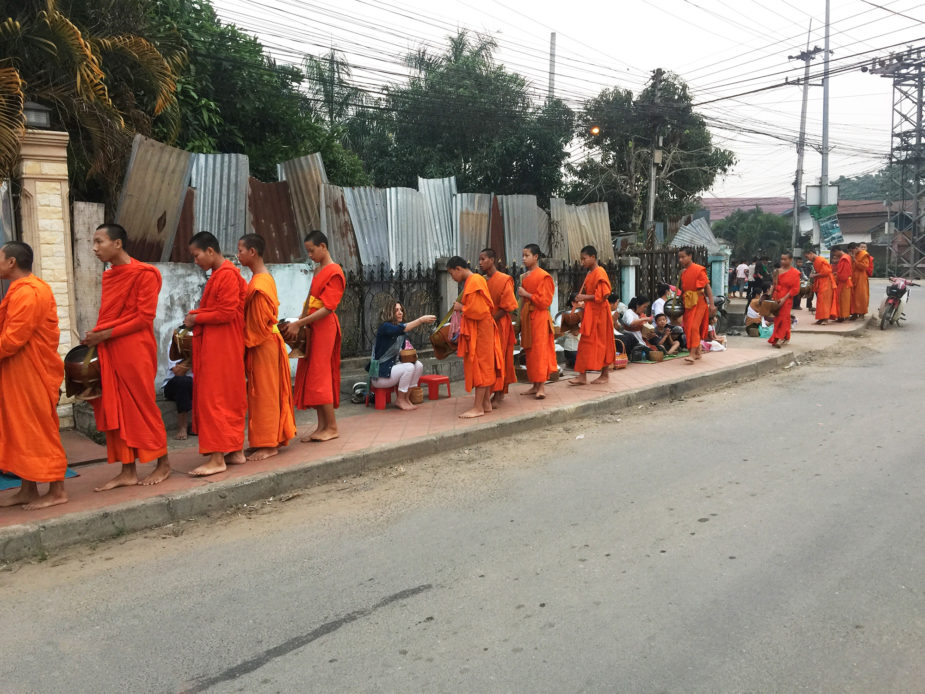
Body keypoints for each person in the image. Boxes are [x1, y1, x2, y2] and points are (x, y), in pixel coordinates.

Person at [84, 223, 171, 491]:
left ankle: (163, 463)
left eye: (100, 242)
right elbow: (110, 315)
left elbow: (144, 318)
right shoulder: (111, 275)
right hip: (111, 348)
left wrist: (104, 334)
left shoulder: (145, 273)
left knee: (142, 405)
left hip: (134, 349)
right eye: (94, 242)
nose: (95, 248)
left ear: (118, 243)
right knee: (119, 408)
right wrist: (96, 336)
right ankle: (128, 470)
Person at [0, 241, 69, 510]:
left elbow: (13, 339)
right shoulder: (20, 290)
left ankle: (58, 490)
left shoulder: (29, 292)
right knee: (22, 430)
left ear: (11, 263)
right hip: (19, 372)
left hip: (32, 372)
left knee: (38, 429)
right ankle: (29, 488)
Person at [185, 231, 247, 476]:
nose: (196, 260)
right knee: (227, 397)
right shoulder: (220, 275)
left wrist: (196, 317)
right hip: (222, 345)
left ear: (210, 251)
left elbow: (227, 312)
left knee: (214, 400)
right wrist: (197, 315)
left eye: (196, 255)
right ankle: (235, 451)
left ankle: (217, 458)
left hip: (221, 347)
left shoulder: (227, 275)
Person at [237, 233, 296, 460]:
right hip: (262, 343)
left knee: (265, 394)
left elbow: (259, 324)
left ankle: (269, 444)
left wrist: (242, 343)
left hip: (262, 343)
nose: (238, 254)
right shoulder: (259, 279)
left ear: (253, 252)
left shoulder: (260, 282)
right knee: (258, 393)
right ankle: (263, 439)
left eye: (241, 250)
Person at [286, 230, 345, 442]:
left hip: (325, 327)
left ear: (323, 247)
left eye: (312, 250)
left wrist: (301, 323)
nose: (309, 255)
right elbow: (309, 300)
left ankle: (332, 427)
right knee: (313, 374)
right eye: (308, 251)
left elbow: (328, 308)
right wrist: (300, 324)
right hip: (312, 327)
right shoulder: (319, 270)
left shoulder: (334, 271)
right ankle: (322, 426)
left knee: (321, 374)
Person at [447, 256, 503, 418]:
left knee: (481, 366)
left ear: (458, 268)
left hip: (481, 331)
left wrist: (461, 307)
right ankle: (485, 403)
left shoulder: (475, 280)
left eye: (452, 274)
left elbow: (480, 311)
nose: (452, 278)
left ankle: (478, 407)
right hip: (481, 330)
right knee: (483, 365)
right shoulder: (473, 281)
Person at [370, 301, 436, 410]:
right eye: (396, 310)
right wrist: (421, 320)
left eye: (401, 310)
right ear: (389, 313)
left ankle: (406, 398)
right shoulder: (385, 327)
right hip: (380, 375)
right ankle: (400, 400)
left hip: (391, 372)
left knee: (418, 365)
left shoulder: (400, 331)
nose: (400, 313)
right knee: (409, 367)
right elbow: (401, 329)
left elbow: (403, 352)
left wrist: (412, 355)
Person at [516, 244, 557, 400]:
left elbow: (544, 302)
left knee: (539, 352)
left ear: (536, 257)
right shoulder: (526, 276)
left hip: (539, 317)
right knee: (529, 351)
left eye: (527, 255)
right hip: (527, 317)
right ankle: (534, 385)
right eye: (523, 255)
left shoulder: (544, 276)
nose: (523, 259)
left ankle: (541, 387)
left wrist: (526, 293)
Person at [570, 246, 615, 385]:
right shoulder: (590, 273)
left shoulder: (600, 272)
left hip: (600, 314)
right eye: (581, 259)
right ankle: (582, 376)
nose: (582, 262)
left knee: (603, 343)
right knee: (584, 343)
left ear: (593, 257)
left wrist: (584, 297)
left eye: (584, 258)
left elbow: (603, 295)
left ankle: (605, 374)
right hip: (591, 312)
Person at [479, 248, 516, 404]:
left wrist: (492, 320)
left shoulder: (504, 279)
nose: (480, 263)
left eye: (483, 259)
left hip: (499, 324)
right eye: (479, 260)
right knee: (488, 359)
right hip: (485, 325)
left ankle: (499, 392)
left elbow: (508, 306)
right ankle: (490, 392)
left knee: (500, 357)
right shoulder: (481, 280)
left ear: (492, 260)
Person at [678, 247, 714, 363]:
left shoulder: (699, 269)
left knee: (693, 327)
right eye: (679, 257)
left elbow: (707, 287)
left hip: (699, 303)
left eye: (683, 257)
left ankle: (692, 354)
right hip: (688, 303)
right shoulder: (683, 272)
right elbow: (684, 290)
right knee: (688, 328)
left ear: (690, 256)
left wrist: (712, 304)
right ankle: (697, 351)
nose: (681, 260)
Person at [768, 251, 801, 348]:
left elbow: (795, 289)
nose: (782, 261)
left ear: (791, 260)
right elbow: (774, 285)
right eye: (781, 259)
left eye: (785, 259)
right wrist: (769, 294)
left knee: (783, 317)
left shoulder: (795, 273)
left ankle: (779, 338)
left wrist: (784, 298)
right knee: (779, 318)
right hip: (777, 296)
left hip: (787, 298)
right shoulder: (777, 271)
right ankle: (784, 336)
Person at [163, 346, 193, 441]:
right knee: (183, 381)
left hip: (195, 385)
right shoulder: (177, 342)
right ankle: (182, 426)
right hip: (174, 385)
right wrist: (192, 357)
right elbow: (178, 372)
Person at [803, 248, 836, 324]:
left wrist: (814, 275)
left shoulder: (820, 260)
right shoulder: (816, 261)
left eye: (807, 257)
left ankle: (825, 319)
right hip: (821, 282)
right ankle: (821, 318)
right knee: (820, 301)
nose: (808, 259)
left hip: (827, 282)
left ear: (811, 253)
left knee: (825, 301)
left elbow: (827, 272)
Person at [555, 292, 582, 369]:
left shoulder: (581, 313)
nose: (583, 302)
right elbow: (576, 332)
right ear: (573, 303)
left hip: (581, 349)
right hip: (572, 349)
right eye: (580, 301)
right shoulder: (568, 315)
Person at [851, 242, 871, 319]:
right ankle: (854, 313)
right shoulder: (854, 255)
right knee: (853, 297)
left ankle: (862, 313)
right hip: (854, 277)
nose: (852, 252)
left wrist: (855, 260)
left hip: (861, 278)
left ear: (856, 248)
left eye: (853, 250)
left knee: (861, 296)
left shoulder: (864, 254)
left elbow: (865, 266)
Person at [834, 246, 853, 322]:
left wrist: (836, 277)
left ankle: (842, 316)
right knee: (845, 300)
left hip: (843, 282)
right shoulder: (847, 257)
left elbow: (843, 274)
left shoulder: (844, 258)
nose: (835, 255)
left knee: (842, 300)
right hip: (846, 281)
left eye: (834, 253)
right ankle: (843, 316)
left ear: (837, 251)